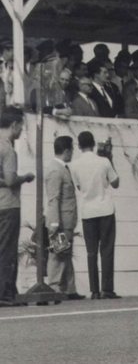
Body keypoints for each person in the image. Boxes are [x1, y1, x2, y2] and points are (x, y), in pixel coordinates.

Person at [70, 131, 121, 300]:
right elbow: (115, 183)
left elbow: (79, 187)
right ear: (93, 144)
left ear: (79, 146)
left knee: (91, 251)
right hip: (105, 209)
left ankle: (94, 291)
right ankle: (107, 289)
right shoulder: (104, 161)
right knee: (106, 250)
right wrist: (110, 158)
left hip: (88, 211)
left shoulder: (74, 165)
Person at [0, 107, 35, 306]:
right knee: (7, 250)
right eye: (21, 126)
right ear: (14, 125)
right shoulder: (8, 149)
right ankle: (5, 293)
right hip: (9, 204)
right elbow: (12, 179)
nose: (21, 131)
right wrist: (26, 178)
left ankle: (8, 291)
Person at [45, 136, 84, 300]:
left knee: (65, 253)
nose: (72, 153)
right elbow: (53, 198)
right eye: (71, 150)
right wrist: (54, 222)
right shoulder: (56, 170)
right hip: (60, 221)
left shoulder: (61, 168)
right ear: (67, 151)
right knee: (58, 254)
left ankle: (69, 289)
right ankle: (54, 288)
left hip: (66, 220)